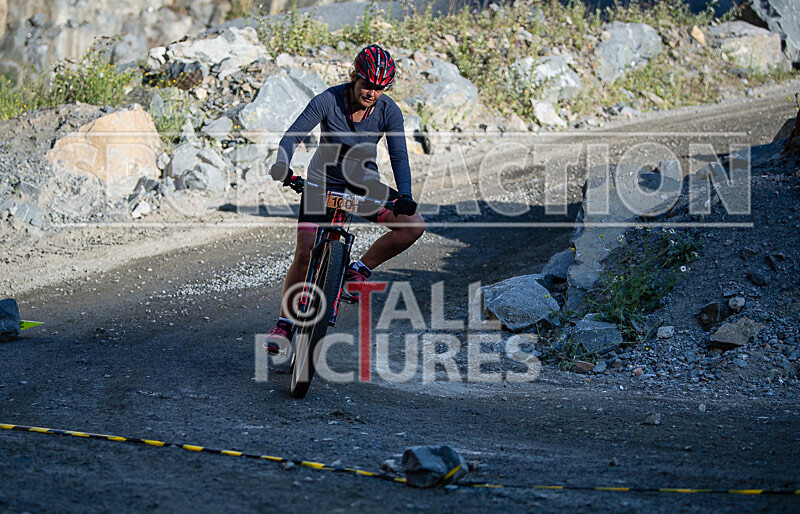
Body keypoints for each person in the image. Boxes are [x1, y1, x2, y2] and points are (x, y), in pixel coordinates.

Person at [265, 44, 425, 354]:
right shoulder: (329, 99)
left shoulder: (388, 110)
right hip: (321, 183)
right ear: (354, 77)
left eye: (380, 88)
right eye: (367, 85)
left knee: (413, 225)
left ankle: (357, 271)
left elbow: (399, 155)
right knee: (306, 251)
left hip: (364, 186)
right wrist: (284, 164)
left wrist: (405, 194)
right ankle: (284, 323)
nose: (372, 93)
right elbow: (293, 135)